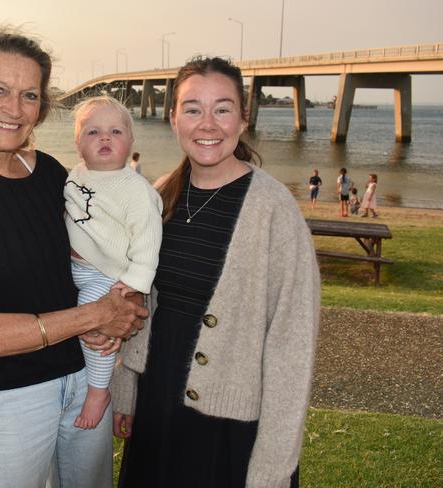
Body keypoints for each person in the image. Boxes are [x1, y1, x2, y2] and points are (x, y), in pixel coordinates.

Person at [0, 26, 147, 488]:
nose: (14, 110)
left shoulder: (52, 173)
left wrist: (126, 305)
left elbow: (104, 250)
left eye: (29, 95)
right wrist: (95, 315)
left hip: (84, 378)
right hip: (11, 395)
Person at [111, 56, 320, 488]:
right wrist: (126, 391)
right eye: (193, 109)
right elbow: (141, 305)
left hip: (229, 424)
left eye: (222, 109)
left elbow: (291, 352)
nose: (208, 124)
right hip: (157, 408)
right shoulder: (158, 195)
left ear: (243, 120)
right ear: (174, 120)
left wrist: (272, 468)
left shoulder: (274, 210)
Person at [65, 96, 163, 429]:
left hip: (107, 274)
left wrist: (135, 284)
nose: (105, 138)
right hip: (74, 266)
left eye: (115, 132)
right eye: (93, 132)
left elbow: (148, 240)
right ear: (77, 143)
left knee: (93, 317)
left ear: (131, 142)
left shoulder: (136, 190)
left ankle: (98, 390)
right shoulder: (75, 175)